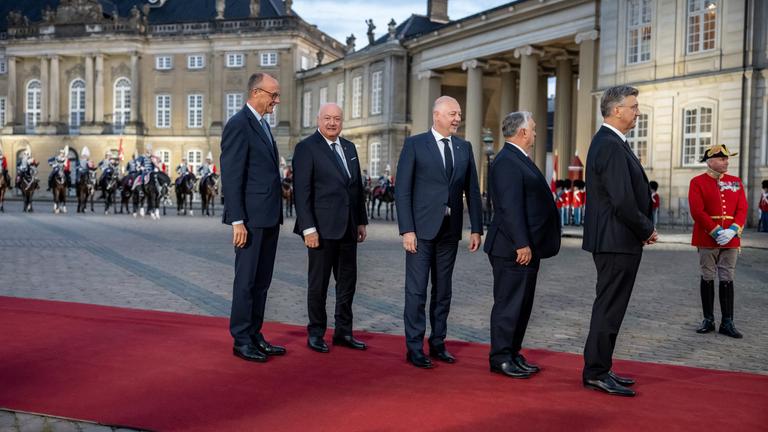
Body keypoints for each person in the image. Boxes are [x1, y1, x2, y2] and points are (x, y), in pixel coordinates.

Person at [395, 95, 483, 369]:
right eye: (452, 114)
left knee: (443, 291)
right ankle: (414, 348)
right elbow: (403, 190)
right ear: (437, 115)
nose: (458, 118)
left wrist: (476, 228)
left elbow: (473, 190)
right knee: (417, 291)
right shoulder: (415, 144)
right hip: (420, 231)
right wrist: (407, 229)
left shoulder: (464, 147)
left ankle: (438, 343)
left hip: (450, 231)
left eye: (459, 114)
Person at [581, 85, 657, 397]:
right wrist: (646, 229)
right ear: (616, 110)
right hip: (616, 240)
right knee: (609, 307)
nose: (637, 112)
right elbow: (622, 200)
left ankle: (601, 366)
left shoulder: (612, 142)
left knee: (611, 306)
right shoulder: (610, 145)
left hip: (617, 239)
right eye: (633, 107)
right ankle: (596, 372)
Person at [484, 111, 561, 379]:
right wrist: (521, 243)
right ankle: (500, 357)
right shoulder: (507, 160)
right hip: (512, 248)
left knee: (522, 305)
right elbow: (509, 207)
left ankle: (513, 352)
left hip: (526, 247)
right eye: (534, 128)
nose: (537, 133)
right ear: (522, 132)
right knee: (509, 305)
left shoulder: (519, 158)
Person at [292, 103, 369, 353]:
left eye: (337, 119)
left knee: (347, 283)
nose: (332, 123)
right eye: (327, 118)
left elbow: (356, 188)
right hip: (321, 230)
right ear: (318, 119)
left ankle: (343, 332)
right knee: (319, 284)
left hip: (348, 227)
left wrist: (361, 221)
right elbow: (302, 192)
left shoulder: (349, 147)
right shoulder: (306, 148)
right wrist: (308, 229)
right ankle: (316, 332)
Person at [220, 72, 285, 363]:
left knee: (261, 282)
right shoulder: (238, 124)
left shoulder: (263, 124)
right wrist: (237, 221)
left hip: (269, 216)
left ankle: (255, 334)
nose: (277, 100)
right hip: (249, 220)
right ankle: (241, 339)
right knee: (246, 282)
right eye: (273, 95)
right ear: (256, 92)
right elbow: (232, 175)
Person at [688, 144, 747, 339]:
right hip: (707, 237)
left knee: (727, 277)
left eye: (727, 158)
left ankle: (727, 322)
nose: (726, 162)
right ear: (710, 161)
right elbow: (697, 211)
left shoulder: (735, 182)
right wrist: (716, 231)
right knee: (707, 276)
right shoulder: (697, 182)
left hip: (731, 238)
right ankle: (708, 319)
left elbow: (742, 208)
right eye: (722, 159)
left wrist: (733, 230)